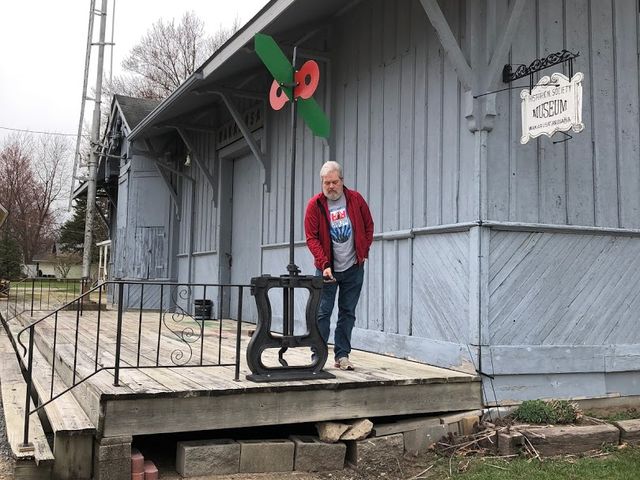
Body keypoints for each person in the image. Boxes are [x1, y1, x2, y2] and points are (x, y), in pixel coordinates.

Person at [304, 161, 374, 370]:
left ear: (342, 181)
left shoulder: (356, 199)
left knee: (347, 312)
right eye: (327, 183)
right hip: (327, 269)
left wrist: (363, 251)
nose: (331, 186)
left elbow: (368, 226)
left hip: (353, 267)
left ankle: (342, 356)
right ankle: (318, 355)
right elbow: (311, 238)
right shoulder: (315, 205)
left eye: (334, 182)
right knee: (323, 312)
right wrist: (324, 263)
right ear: (322, 183)